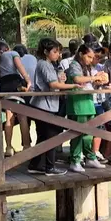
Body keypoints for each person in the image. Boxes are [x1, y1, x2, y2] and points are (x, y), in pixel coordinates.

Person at [28, 38, 80, 176]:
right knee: (51, 136)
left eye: (58, 52)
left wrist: (61, 80)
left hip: (45, 104)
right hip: (44, 105)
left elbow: (55, 82)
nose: (58, 55)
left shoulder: (48, 64)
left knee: (43, 137)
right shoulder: (44, 64)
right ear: (46, 52)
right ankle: (50, 167)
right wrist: (73, 85)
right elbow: (53, 84)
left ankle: (35, 164)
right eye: (55, 52)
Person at [66, 44, 108, 172]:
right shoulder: (74, 65)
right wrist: (95, 77)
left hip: (89, 101)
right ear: (81, 54)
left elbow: (88, 83)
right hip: (78, 103)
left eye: (92, 57)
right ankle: (75, 160)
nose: (91, 59)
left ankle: (90, 157)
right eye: (89, 57)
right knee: (77, 133)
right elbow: (77, 79)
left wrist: (98, 81)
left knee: (89, 132)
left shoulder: (87, 67)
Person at [0, 41, 33, 156]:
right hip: (15, 83)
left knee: (9, 116)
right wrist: (28, 80)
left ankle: (8, 147)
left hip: (3, 86)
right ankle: (26, 146)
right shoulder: (13, 53)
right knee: (22, 116)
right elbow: (19, 66)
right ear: (7, 48)